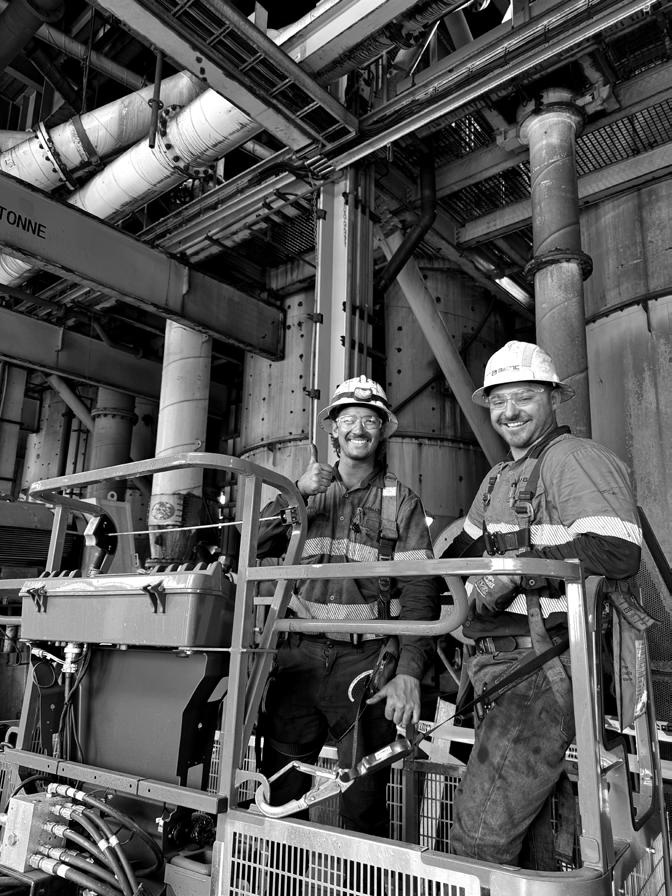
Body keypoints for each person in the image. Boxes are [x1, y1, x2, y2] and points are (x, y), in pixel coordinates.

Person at [446, 341, 642, 867]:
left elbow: (617, 551)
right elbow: (459, 554)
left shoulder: (574, 460)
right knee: (531, 839)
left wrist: (517, 568)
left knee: (479, 841)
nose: (509, 411)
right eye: (498, 400)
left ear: (554, 397)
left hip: (542, 667)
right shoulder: (498, 478)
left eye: (524, 397)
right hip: (499, 667)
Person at [256, 375, 441, 836]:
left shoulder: (402, 502)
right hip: (298, 658)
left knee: (363, 800)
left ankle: (361, 873)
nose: (359, 428)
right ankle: (279, 869)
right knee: (280, 791)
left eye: (370, 420)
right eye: (349, 420)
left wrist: (408, 671)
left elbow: (419, 592)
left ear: (382, 430)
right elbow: (253, 543)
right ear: (333, 430)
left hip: (366, 662)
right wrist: (296, 493)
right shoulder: (302, 494)